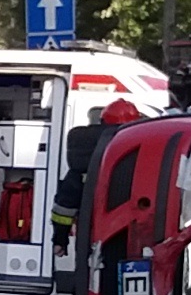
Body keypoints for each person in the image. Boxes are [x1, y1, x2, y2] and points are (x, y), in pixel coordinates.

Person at [53, 97, 144, 252]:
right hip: (135, 235)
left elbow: (65, 205)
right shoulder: (143, 154)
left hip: (93, 235)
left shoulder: (84, 163)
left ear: (102, 122)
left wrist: (60, 240)